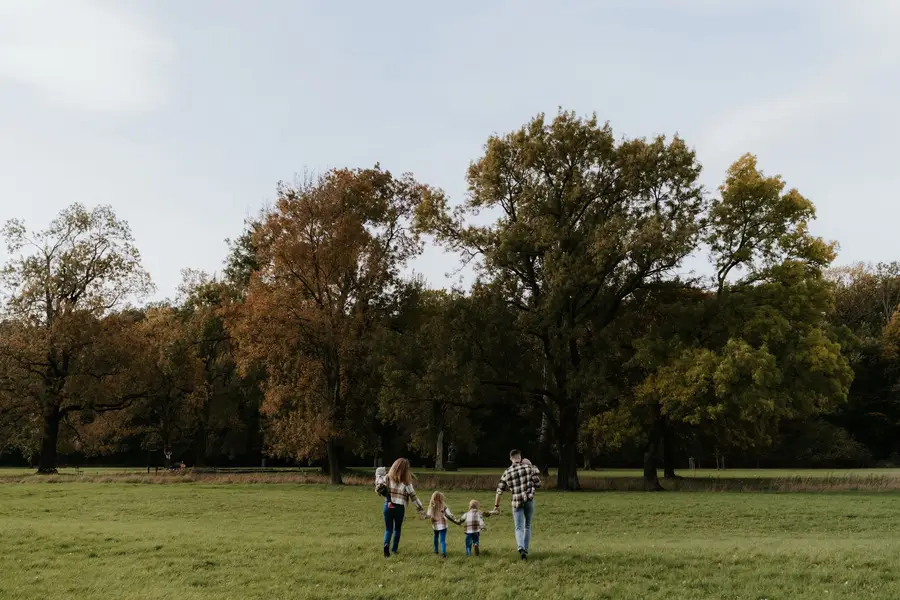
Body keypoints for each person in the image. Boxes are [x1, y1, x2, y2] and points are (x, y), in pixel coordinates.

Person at [491, 449, 541, 560]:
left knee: (518, 527)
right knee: (527, 525)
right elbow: (538, 484)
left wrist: (496, 506)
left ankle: (521, 548)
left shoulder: (507, 472)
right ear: (520, 457)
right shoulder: (529, 468)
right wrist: (532, 466)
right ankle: (526, 549)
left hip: (516, 501)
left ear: (511, 458)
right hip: (528, 499)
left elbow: (499, 491)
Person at [381, 458, 424, 558]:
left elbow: (380, 488)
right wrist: (420, 508)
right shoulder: (406, 482)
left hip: (388, 506)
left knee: (388, 529)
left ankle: (386, 544)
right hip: (399, 508)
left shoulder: (387, 477)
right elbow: (413, 496)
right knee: (397, 529)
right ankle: (394, 549)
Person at [426, 491, 460, 558]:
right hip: (443, 526)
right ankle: (443, 554)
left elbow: (428, 515)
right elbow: (450, 515)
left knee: (435, 538)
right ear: (441, 498)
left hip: (435, 526)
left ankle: (436, 551)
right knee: (442, 540)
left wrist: (424, 516)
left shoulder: (431, 507)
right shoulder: (444, 506)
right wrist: (456, 521)